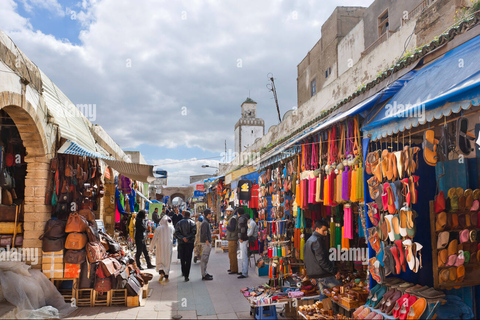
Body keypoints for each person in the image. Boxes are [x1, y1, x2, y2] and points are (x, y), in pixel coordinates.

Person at [303, 219, 341, 298]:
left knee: (324, 295)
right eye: (323, 230)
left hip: (317, 274)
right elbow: (322, 260)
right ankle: (331, 310)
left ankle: (325, 309)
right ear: (317, 229)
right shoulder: (317, 240)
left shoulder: (309, 240)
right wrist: (333, 271)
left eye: (326, 231)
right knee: (339, 289)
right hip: (322, 274)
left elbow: (307, 259)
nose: (325, 233)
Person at [150, 215, 174, 281]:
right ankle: (166, 275)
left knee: (160, 260)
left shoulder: (159, 228)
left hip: (160, 247)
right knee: (167, 260)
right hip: (168, 247)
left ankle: (161, 273)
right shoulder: (171, 228)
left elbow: (154, 238)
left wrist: (151, 247)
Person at [174, 210, 196, 282]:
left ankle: (183, 272)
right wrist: (187, 238)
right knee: (188, 259)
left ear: (184, 215)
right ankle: (186, 275)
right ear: (189, 216)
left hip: (181, 243)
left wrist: (182, 238)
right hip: (189, 243)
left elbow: (176, 233)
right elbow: (194, 233)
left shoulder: (179, 223)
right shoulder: (192, 223)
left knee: (182, 258)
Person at [200, 209, 213, 281]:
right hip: (206, 243)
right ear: (208, 214)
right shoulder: (205, 222)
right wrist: (207, 241)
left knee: (205, 258)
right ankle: (204, 274)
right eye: (210, 213)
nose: (211, 215)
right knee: (204, 258)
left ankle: (205, 272)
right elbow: (204, 233)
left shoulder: (206, 221)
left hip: (206, 242)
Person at [225, 206, 239, 275]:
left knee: (232, 254)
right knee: (230, 254)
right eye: (227, 211)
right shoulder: (231, 218)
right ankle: (232, 268)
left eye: (228, 211)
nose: (227, 213)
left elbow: (232, 228)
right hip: (231, 238)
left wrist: (226, 227)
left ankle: (234, 269)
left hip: (233, 238)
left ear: (231, 212)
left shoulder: (233, 219)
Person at [237, 208, 250, 279]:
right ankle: (243, 271)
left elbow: (242, 229)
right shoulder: (243, 218)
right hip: (244, 239)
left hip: (243, 239)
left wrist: (241, 238)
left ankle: (244, 272)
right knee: (243, 255)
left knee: (244, 256)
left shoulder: (241, 219)